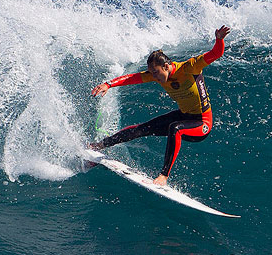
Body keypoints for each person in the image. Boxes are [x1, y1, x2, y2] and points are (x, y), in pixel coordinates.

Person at [90, 26, 232, 186]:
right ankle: (100, 145)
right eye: (151, 73)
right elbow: (132, 77)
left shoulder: (189, 68)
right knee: (143, 128)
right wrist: (108, 84)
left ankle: (164, 176)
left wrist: (219, 39)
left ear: (166, 66)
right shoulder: (157, 75)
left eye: (156, 72)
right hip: (184, 115)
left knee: (175, 128)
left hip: (202, 123)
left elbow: (216, 54)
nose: (154, 77)